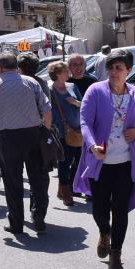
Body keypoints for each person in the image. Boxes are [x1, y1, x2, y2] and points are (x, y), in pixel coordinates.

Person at [74, 50, 135, 269]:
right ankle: (104, 232)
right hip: (99, 161)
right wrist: (91, 145)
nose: (114, 72)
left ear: (128, 70)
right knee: (99, 207)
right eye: (111, 68)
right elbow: (85, 122)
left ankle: (115, 255)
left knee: (120, 209)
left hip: (126, 162)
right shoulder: (95, 91)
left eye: (119, 68)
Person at [0, 52, 52, 235]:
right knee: (38, 179)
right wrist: (45, 131)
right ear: (16, 67)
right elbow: (47, 109)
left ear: (1, 68)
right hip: (33, 134)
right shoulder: (32, 82)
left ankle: (16, 223)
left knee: (13, 182)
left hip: (8, 138)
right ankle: (39, 216)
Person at [47, 61, 82, 207]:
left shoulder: (73, 86)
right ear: (57, 74)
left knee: (78, 159)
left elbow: (83, 104)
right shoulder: (50, 89)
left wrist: (75, 103)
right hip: (60, 132)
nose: (69, 73)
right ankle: (67, 193)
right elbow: (46, 109)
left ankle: (64, 188)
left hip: (77, 130)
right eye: (66, 71)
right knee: (64, 162)